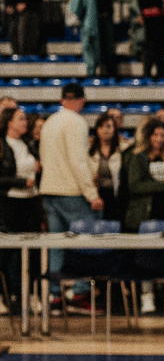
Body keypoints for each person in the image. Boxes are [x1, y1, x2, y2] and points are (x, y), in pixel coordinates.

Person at [39, 83, 102, 308]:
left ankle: (55, 295)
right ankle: (80, 292)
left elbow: (43, 157)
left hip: (49, 189)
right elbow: (78, 161)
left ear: (62, 99)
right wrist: (92, 194)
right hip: (71, 191)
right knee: (86, 242)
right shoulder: (76, 122)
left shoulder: (50, 122)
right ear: (82, 100)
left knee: (56, 244)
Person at [1, 106, 44, 310]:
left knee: (33, 253)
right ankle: (4, 295)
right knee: (7, 254)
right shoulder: (2, 144)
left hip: (31, 202)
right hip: (10, 203)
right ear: (9, 123)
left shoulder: (28, 143)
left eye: (25, 119)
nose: (25, 122)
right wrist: (20, 182)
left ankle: (31, 294)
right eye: (21, 119)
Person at [124, 118, 164, 234]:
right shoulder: (138, 156)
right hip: (143, 213)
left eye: (162, 135)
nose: (159, 139)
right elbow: (135, 186)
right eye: (155, 135)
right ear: (149, 136)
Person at [127, 0, 164, 79]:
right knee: (148, 62)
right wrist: (137, 20)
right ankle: (146, 82)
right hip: (146, 36)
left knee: (160, 61)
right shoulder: (135, 1)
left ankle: (161, 80)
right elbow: (132, 20)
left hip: (160, 34)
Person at [88, 113, 128, 225]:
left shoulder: (123, 149)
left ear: (115, 129)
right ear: (97, 129)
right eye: (101, 126)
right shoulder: (90, 151)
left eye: (109, 126)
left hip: (117, 195)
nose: (105, 130)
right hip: (97, 195)